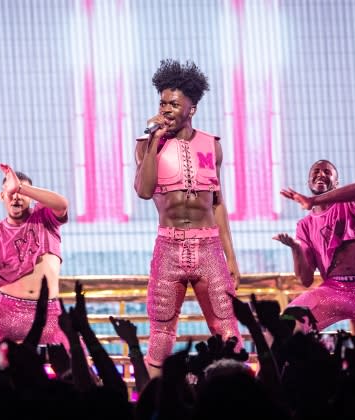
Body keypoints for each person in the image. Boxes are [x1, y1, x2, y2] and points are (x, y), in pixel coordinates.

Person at [134, 59, 243, 376]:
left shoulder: (212, 145)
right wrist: (155, 140)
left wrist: (230, 258)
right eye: (162, 102)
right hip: (168, 248)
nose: (166, 108)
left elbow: (217, 204)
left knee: (227, 329)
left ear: (191, 108)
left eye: (173, 103)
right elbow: (143, 190)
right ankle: (155, 405)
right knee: (161, 336)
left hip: (208, 247)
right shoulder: (146, 144)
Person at [273, 159, 355, 363]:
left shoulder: (350, 203)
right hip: (334, 290)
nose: (321, 174)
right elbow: (306, 279)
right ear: (309, 181)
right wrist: (296, 249)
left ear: (336, 182)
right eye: (315, 171)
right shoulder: (305, 225)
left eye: (327, 171)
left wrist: (312, 201)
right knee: (287, 324)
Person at [0, 163, 70, 348]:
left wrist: (20, 187)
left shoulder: (44, 216)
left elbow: (62, 204)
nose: (16, 197)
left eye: (21, 193)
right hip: (6, 310)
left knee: (77, 359)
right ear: (2, 196)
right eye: (10, 192)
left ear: (30, 197)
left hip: (48, 313)